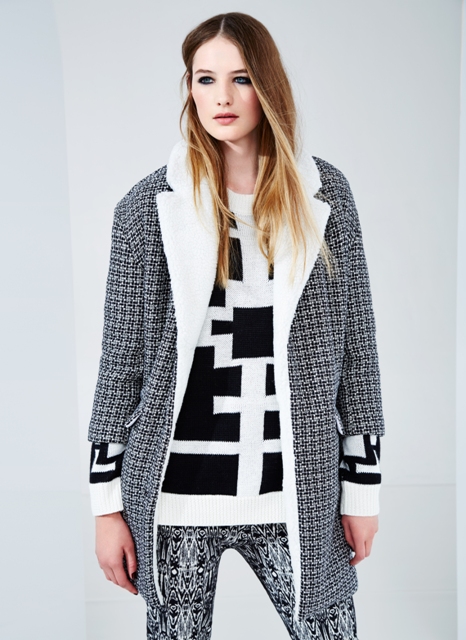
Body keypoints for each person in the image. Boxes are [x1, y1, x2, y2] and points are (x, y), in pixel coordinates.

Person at [87, 12, 384, 640]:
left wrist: (362, 491)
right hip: (175, 497)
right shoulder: (148, 210)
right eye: (205, 79)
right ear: (189, 90)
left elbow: (358, 354)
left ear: (267, 86)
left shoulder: (324, 196)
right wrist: (106, 508)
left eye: (241, 78)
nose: (221, 97)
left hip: (296, 490)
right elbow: (120, 366)